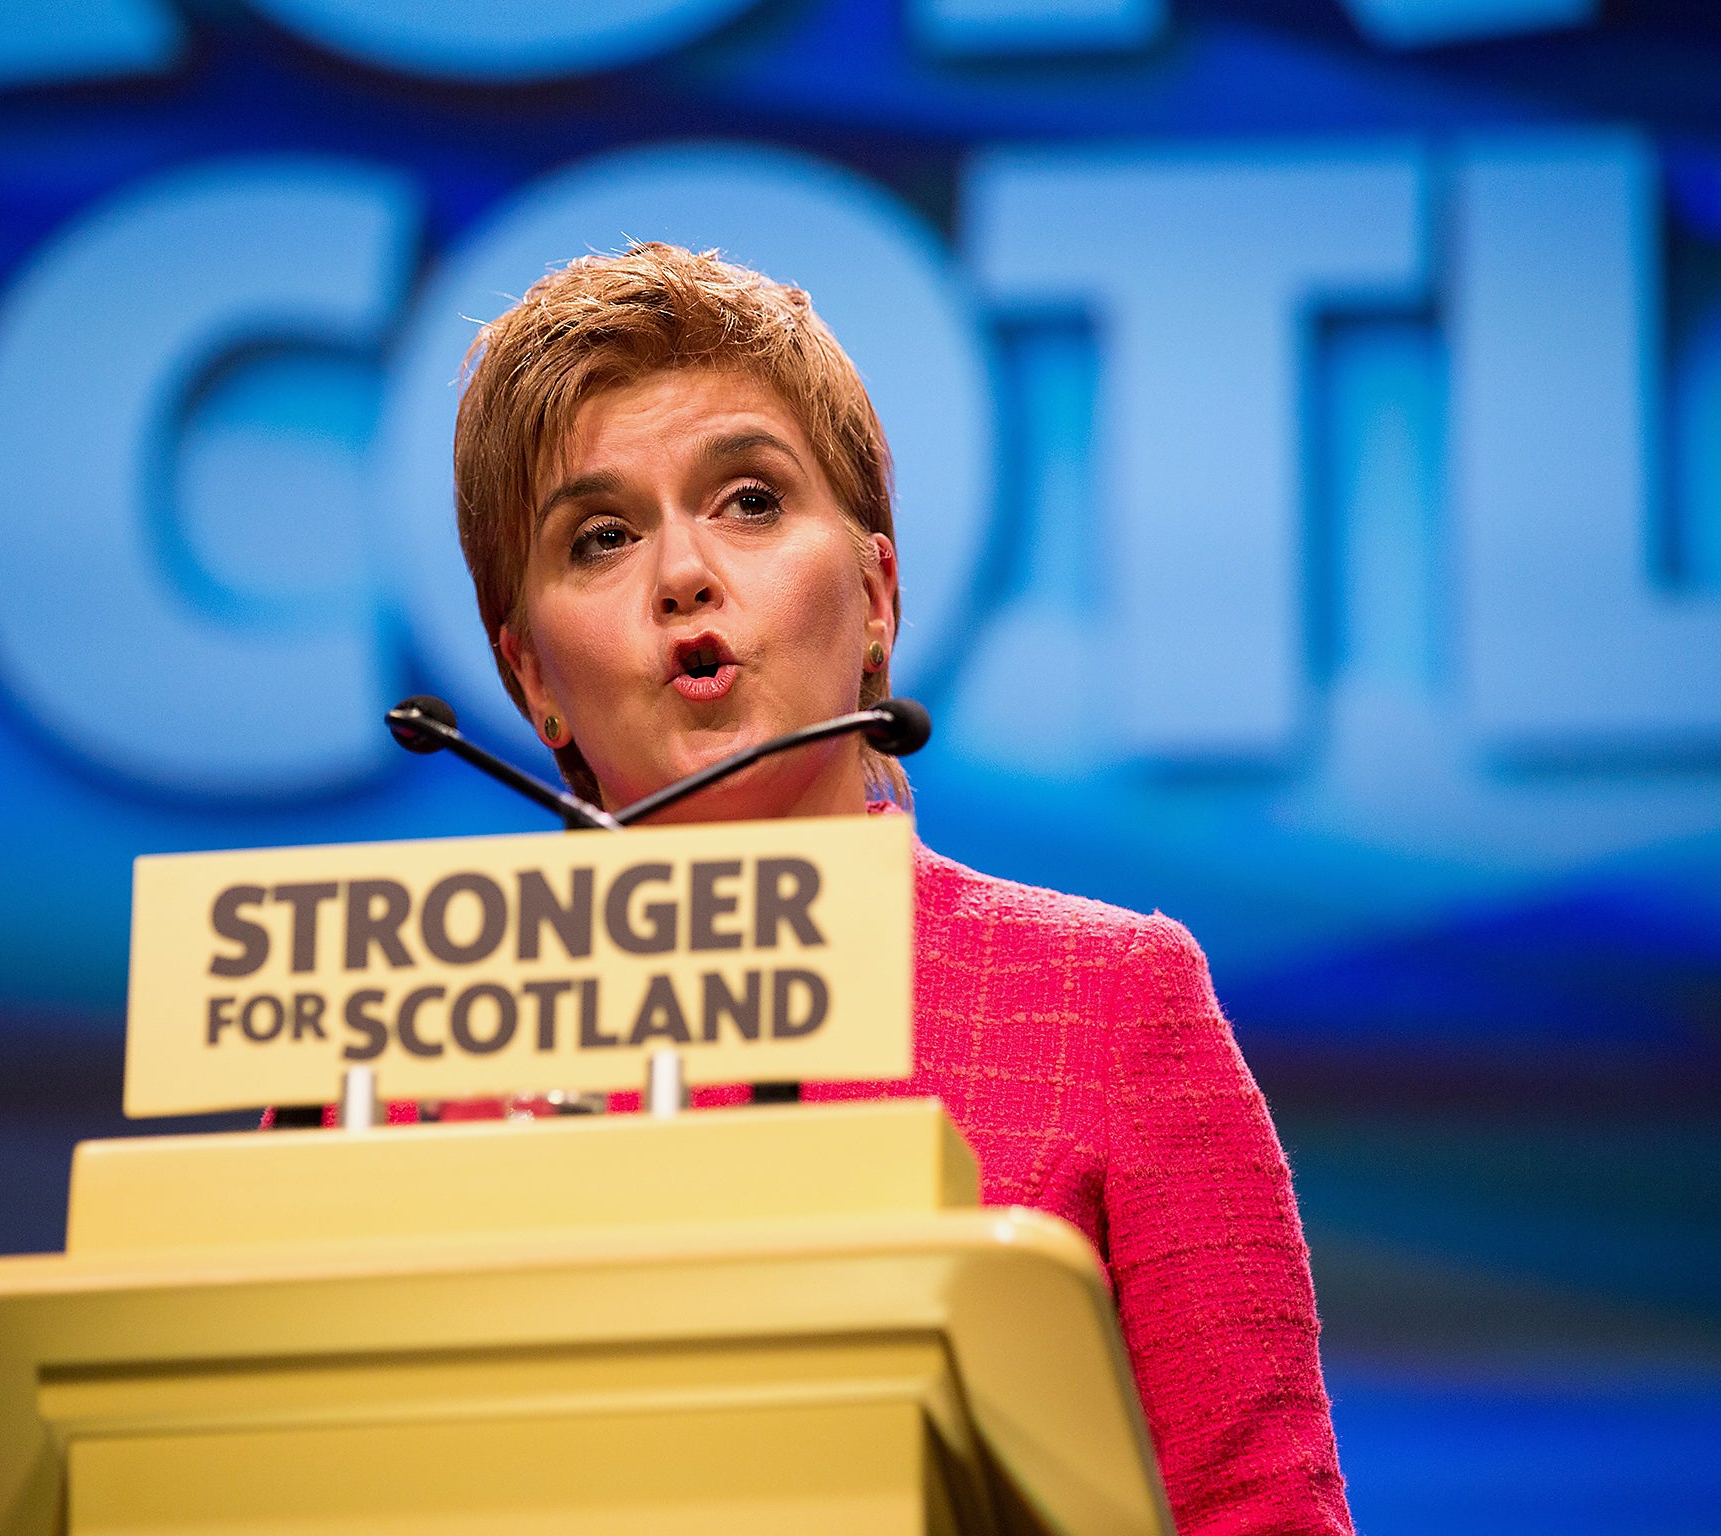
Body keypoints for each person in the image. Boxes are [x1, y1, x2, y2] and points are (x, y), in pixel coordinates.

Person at [449, 240, 1351, 1535]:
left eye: (749, 501)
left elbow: (1263, 1517)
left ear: (876, 596)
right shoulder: (397, 1048)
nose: (684, 574)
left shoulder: (1111, 1009)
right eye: (602, 535)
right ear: (532, 676)